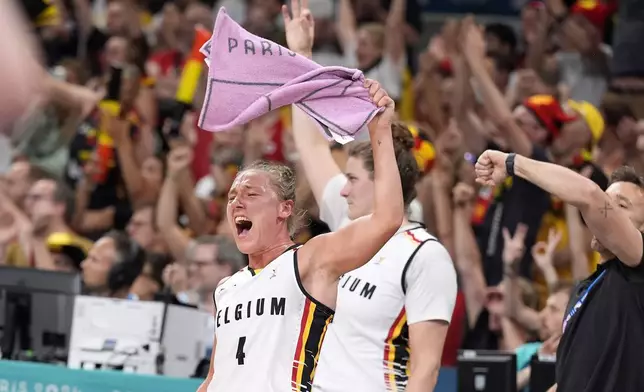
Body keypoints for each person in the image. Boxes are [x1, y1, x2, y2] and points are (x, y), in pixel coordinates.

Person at [282, 1, 456, 390]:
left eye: (353, 180)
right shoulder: (348, 225)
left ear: (385, 185)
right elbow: (310, 144)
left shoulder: (425, 256)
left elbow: (426, 371)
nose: (341, 189)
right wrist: (302, 55)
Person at [197, 78, 404, 391]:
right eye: (232, 196)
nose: (237, 202)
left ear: (284, 208)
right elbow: (215, 378)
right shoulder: (227, 287)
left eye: (251, 194)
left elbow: (387, 218)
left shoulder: (308, 261)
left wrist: (380, 129)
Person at [475, 150, 644, 392]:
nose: (608, 211)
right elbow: (573, 377)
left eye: (621, 206)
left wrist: (513, 163)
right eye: (609, 201)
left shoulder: (638, 269)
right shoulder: (584, 289)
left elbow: (590, 195)